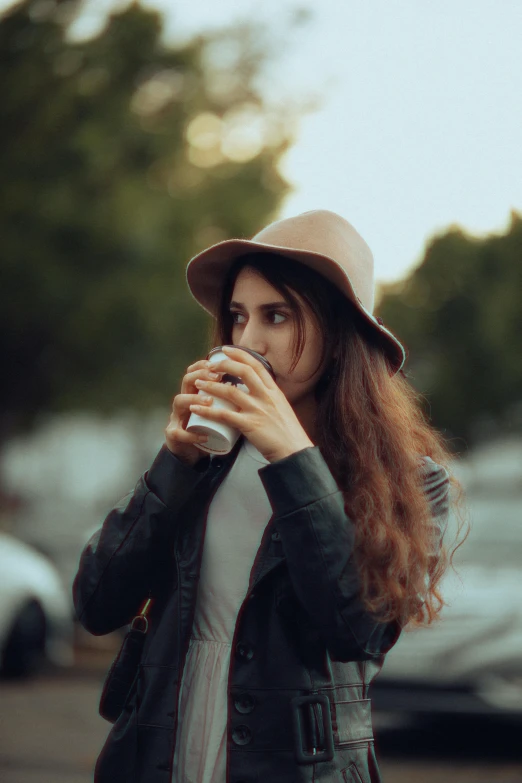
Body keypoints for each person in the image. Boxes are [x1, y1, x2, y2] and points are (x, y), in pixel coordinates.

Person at [73, 210, 465, 783]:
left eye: (277, 316)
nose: (248, 341)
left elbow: (359, 630)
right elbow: (96, 603)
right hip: (160, 750)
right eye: (238, 317)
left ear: (339, 335)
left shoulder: (408, 478)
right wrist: (174, 465)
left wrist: (292, 456)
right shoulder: (204, 456)